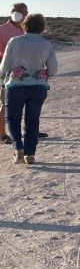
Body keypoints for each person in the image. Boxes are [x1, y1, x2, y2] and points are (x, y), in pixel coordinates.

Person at [0, 13, 57, 164]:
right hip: (38, 87)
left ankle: (18, 148)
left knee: (13, 118)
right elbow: (53, 70)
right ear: (42, 27)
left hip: (16, 86)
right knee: (32, 119)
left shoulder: (14, 41)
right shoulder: (47, 45)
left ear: (24, 25)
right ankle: (30, 153)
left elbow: (4, 67)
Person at [1, 3, 48, 143]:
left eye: (26, 13)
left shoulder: (27, 30)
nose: (24, 15)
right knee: (5, 104)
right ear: (13, 12)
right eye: (21, 12)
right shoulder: (2, 30)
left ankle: (31, 131)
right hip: (8, 74)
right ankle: (2, 134)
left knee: (30, 104)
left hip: (29, 75)